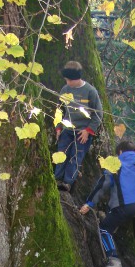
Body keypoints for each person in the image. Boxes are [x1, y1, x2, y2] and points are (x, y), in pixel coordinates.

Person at [80, 141, 135, 267]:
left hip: (126, 206)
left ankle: (114, 262)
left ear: (120, 152)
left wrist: (89, 203)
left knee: (104, 229)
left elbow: (103, 186)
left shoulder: (115, 165)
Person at [54, 61, 103, 191]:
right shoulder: (65, 90)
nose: (67, 82)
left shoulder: (90, 91)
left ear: (76, 78)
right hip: (67, 129)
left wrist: (88, 130)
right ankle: (57, 178)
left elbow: (98, 113)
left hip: (83, 132)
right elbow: (59, 110)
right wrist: (58, 127)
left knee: (76, 156)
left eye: (69, 79)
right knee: (61, 152)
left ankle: (67, 182)